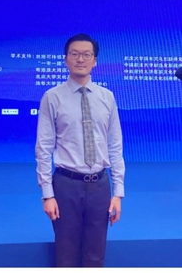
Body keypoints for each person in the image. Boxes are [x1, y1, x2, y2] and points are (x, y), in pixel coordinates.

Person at [35, 33, 125, 267]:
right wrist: (47, 195)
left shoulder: (107, 97)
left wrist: (118, 193)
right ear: (66, 59)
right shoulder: (52, 97)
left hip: (100, 185)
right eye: (74, 54)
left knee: (96, 254)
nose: (80, 59)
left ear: (95, 61)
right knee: (66, 254)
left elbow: (115, 146)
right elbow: (43, 148)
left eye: (86, 55)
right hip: (66, 185)